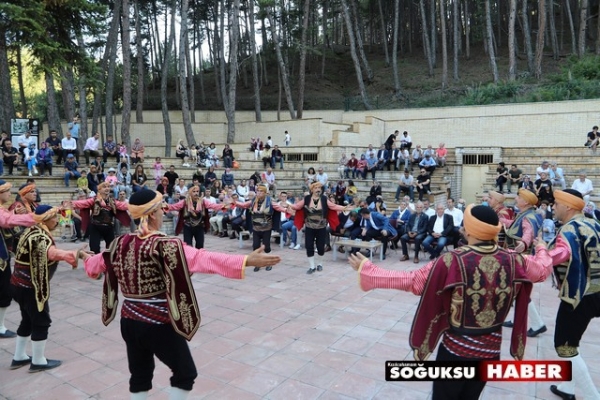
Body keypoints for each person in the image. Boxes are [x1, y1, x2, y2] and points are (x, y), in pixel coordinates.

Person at [83, 189, 281, 399]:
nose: (163, 213)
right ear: (151, 214)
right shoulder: (165, 245)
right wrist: (245, 261)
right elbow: (202, 259)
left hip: (129, 320)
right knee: (185, 373)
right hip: (157, 321)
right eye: (161, 209)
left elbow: (94, 267)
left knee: (140, 374)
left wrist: (82, 257)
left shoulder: (117, 244)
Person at [348, 204, 555, 400]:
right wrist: (543, 248)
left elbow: (414, 282)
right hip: (490, 351)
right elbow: (543, 269)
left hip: (456, 352)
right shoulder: (515, 260)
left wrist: (369, 271)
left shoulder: (452, 260)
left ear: (470, 231)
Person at [9, 205, 90, 372]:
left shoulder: (30, 231)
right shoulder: (40, 237)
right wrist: (78, 254)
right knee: (41, 322)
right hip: (31, 287)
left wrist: (73, 252)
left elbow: (49, 252)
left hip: (18, 285)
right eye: (54, 217)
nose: (58, 220)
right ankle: (38, 361)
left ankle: (19, 357)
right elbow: (52, 253)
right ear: (45, 219)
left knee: (27, 320)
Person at [538, 189, 600, 400]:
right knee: (573, 340)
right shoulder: (594, 223)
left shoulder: (569, 230)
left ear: (568, 206)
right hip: (598, 289)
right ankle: (567, 387)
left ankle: (593, 396)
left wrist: (540, 250)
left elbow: (559, 255)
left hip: (579, 295)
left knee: (565, 346)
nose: (553, 206)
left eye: (557, 203)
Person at [0, 181, 45, 339]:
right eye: (7, 192)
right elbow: (6, 221)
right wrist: (38, 217)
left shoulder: (8, 209)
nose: (10, 195)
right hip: (3, 257)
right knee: (5, 290)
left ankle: (1, 325)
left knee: (5, 290)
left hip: (5, 256)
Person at [284, 182, 349, 274]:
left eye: (319, 188)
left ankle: (320, 264)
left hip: (321, 227)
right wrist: (288, 205)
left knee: (320, 247)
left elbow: (333, 206)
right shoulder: (306, 199)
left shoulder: (324, 199)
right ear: (312, 189)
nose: (318, 189)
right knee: (309, 246)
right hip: (309, 227)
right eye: (316, 188)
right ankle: (312, 266)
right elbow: (297, 206)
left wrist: (344, 208)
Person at [71, 182, 131, 254]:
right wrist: (69, 204)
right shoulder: (93, 200)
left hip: (109, 227)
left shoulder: (112, 201)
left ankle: (108, 264)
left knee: (112, 249)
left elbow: (123, 205)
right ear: (99, 190)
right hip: (96, 227)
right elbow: (82, 203)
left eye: (108, 187)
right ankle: (96, 263)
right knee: (94, 249)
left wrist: (136, 206)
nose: (107, 188)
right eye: (104, 187)